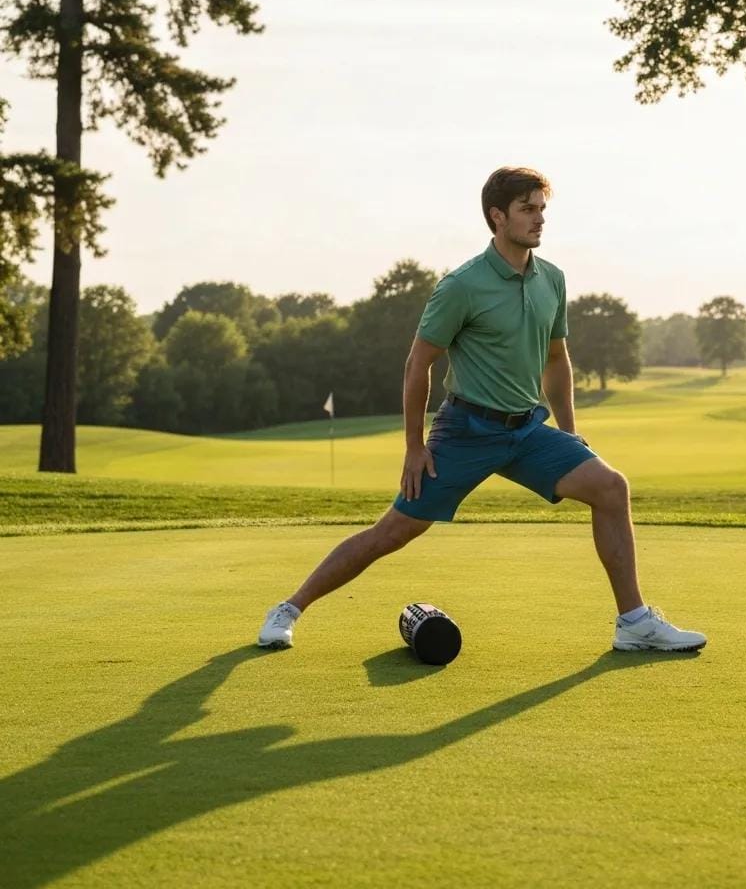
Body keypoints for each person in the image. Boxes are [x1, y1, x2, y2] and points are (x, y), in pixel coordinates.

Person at [258, 166, 706, 653]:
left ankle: (634, 623)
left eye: (542, 210)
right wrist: (412, 446)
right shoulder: (462, 285)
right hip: (466, 431)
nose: (539, 220)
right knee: (394, 531)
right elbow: (417, 364)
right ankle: (290, 608)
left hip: (527, 431)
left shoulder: (551, 280)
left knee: (610, 487)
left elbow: (556, 359)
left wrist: (571, 432)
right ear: (498, 217)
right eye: (527, 210)